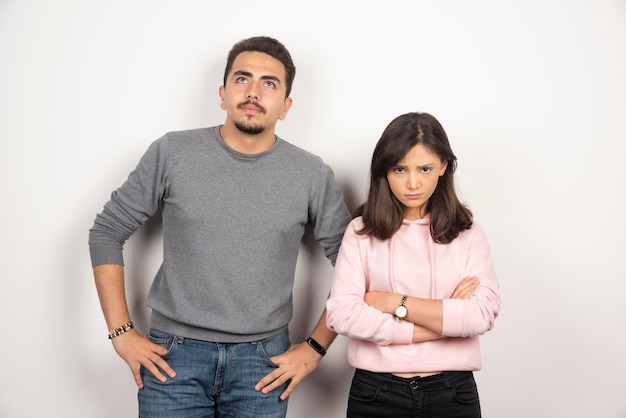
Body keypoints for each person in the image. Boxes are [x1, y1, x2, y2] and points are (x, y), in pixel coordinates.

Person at [88, 36, 351, 417]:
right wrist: (121, 333)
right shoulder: (173, 152)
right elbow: (107, 232)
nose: (254, 92)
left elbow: (355, 263)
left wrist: (316, 348)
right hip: (173, 357)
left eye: (269, 83)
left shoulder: (310, 173)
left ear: (286, 106)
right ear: (223, 93)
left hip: (264, 363)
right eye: (242, 79)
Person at [325, 112, 500, 417]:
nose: (413, 182)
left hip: (452, 394)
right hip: (375, 393)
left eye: (425, 168)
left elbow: (481, 315)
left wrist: (393, 302)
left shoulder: (468, 234)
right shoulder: (360, 232)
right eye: (400, 169)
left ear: (443, 166)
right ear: (384, 170)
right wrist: (442, 324)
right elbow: (342, 315)